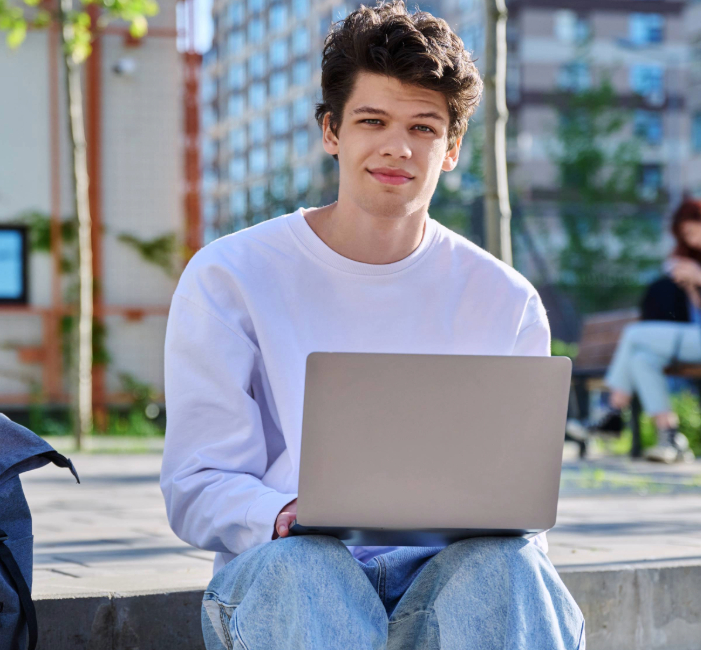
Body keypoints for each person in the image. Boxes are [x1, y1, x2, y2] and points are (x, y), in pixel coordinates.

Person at [159, 3, 585, 648]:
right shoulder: (232, 274)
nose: (397, 146)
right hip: (292, 576)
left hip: (447, 577)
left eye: (424, 126)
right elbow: (195, 485)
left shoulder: (505, 300)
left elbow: (516, 505)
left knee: (511, 566)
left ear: (451, 149)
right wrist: (279, 514)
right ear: (332, 131)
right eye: (372, 121)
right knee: (310, 570)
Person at [581, 198, 701, 463]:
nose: (692, 241)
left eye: (691, 233)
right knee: (642, 360)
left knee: (634, 334)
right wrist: (694, 290)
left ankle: (611, 412)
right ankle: (671, 439)